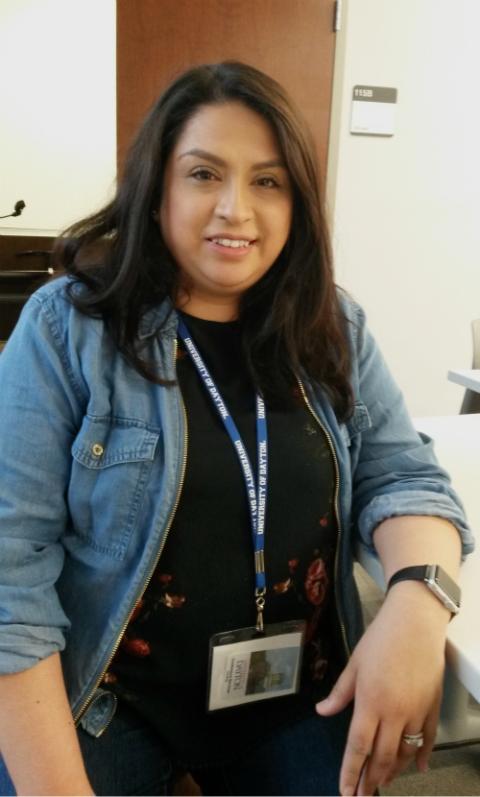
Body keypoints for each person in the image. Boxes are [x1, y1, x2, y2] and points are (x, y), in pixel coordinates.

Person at [0, 61, 473, 797]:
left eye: (267, 180)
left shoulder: (333, 326)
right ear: (156, 188)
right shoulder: (70, 327)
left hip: (293, 694)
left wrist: (418, 602)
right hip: (115, 701)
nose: (235, 209)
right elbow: (8, 570)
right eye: (202, 174)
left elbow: (405, 478)